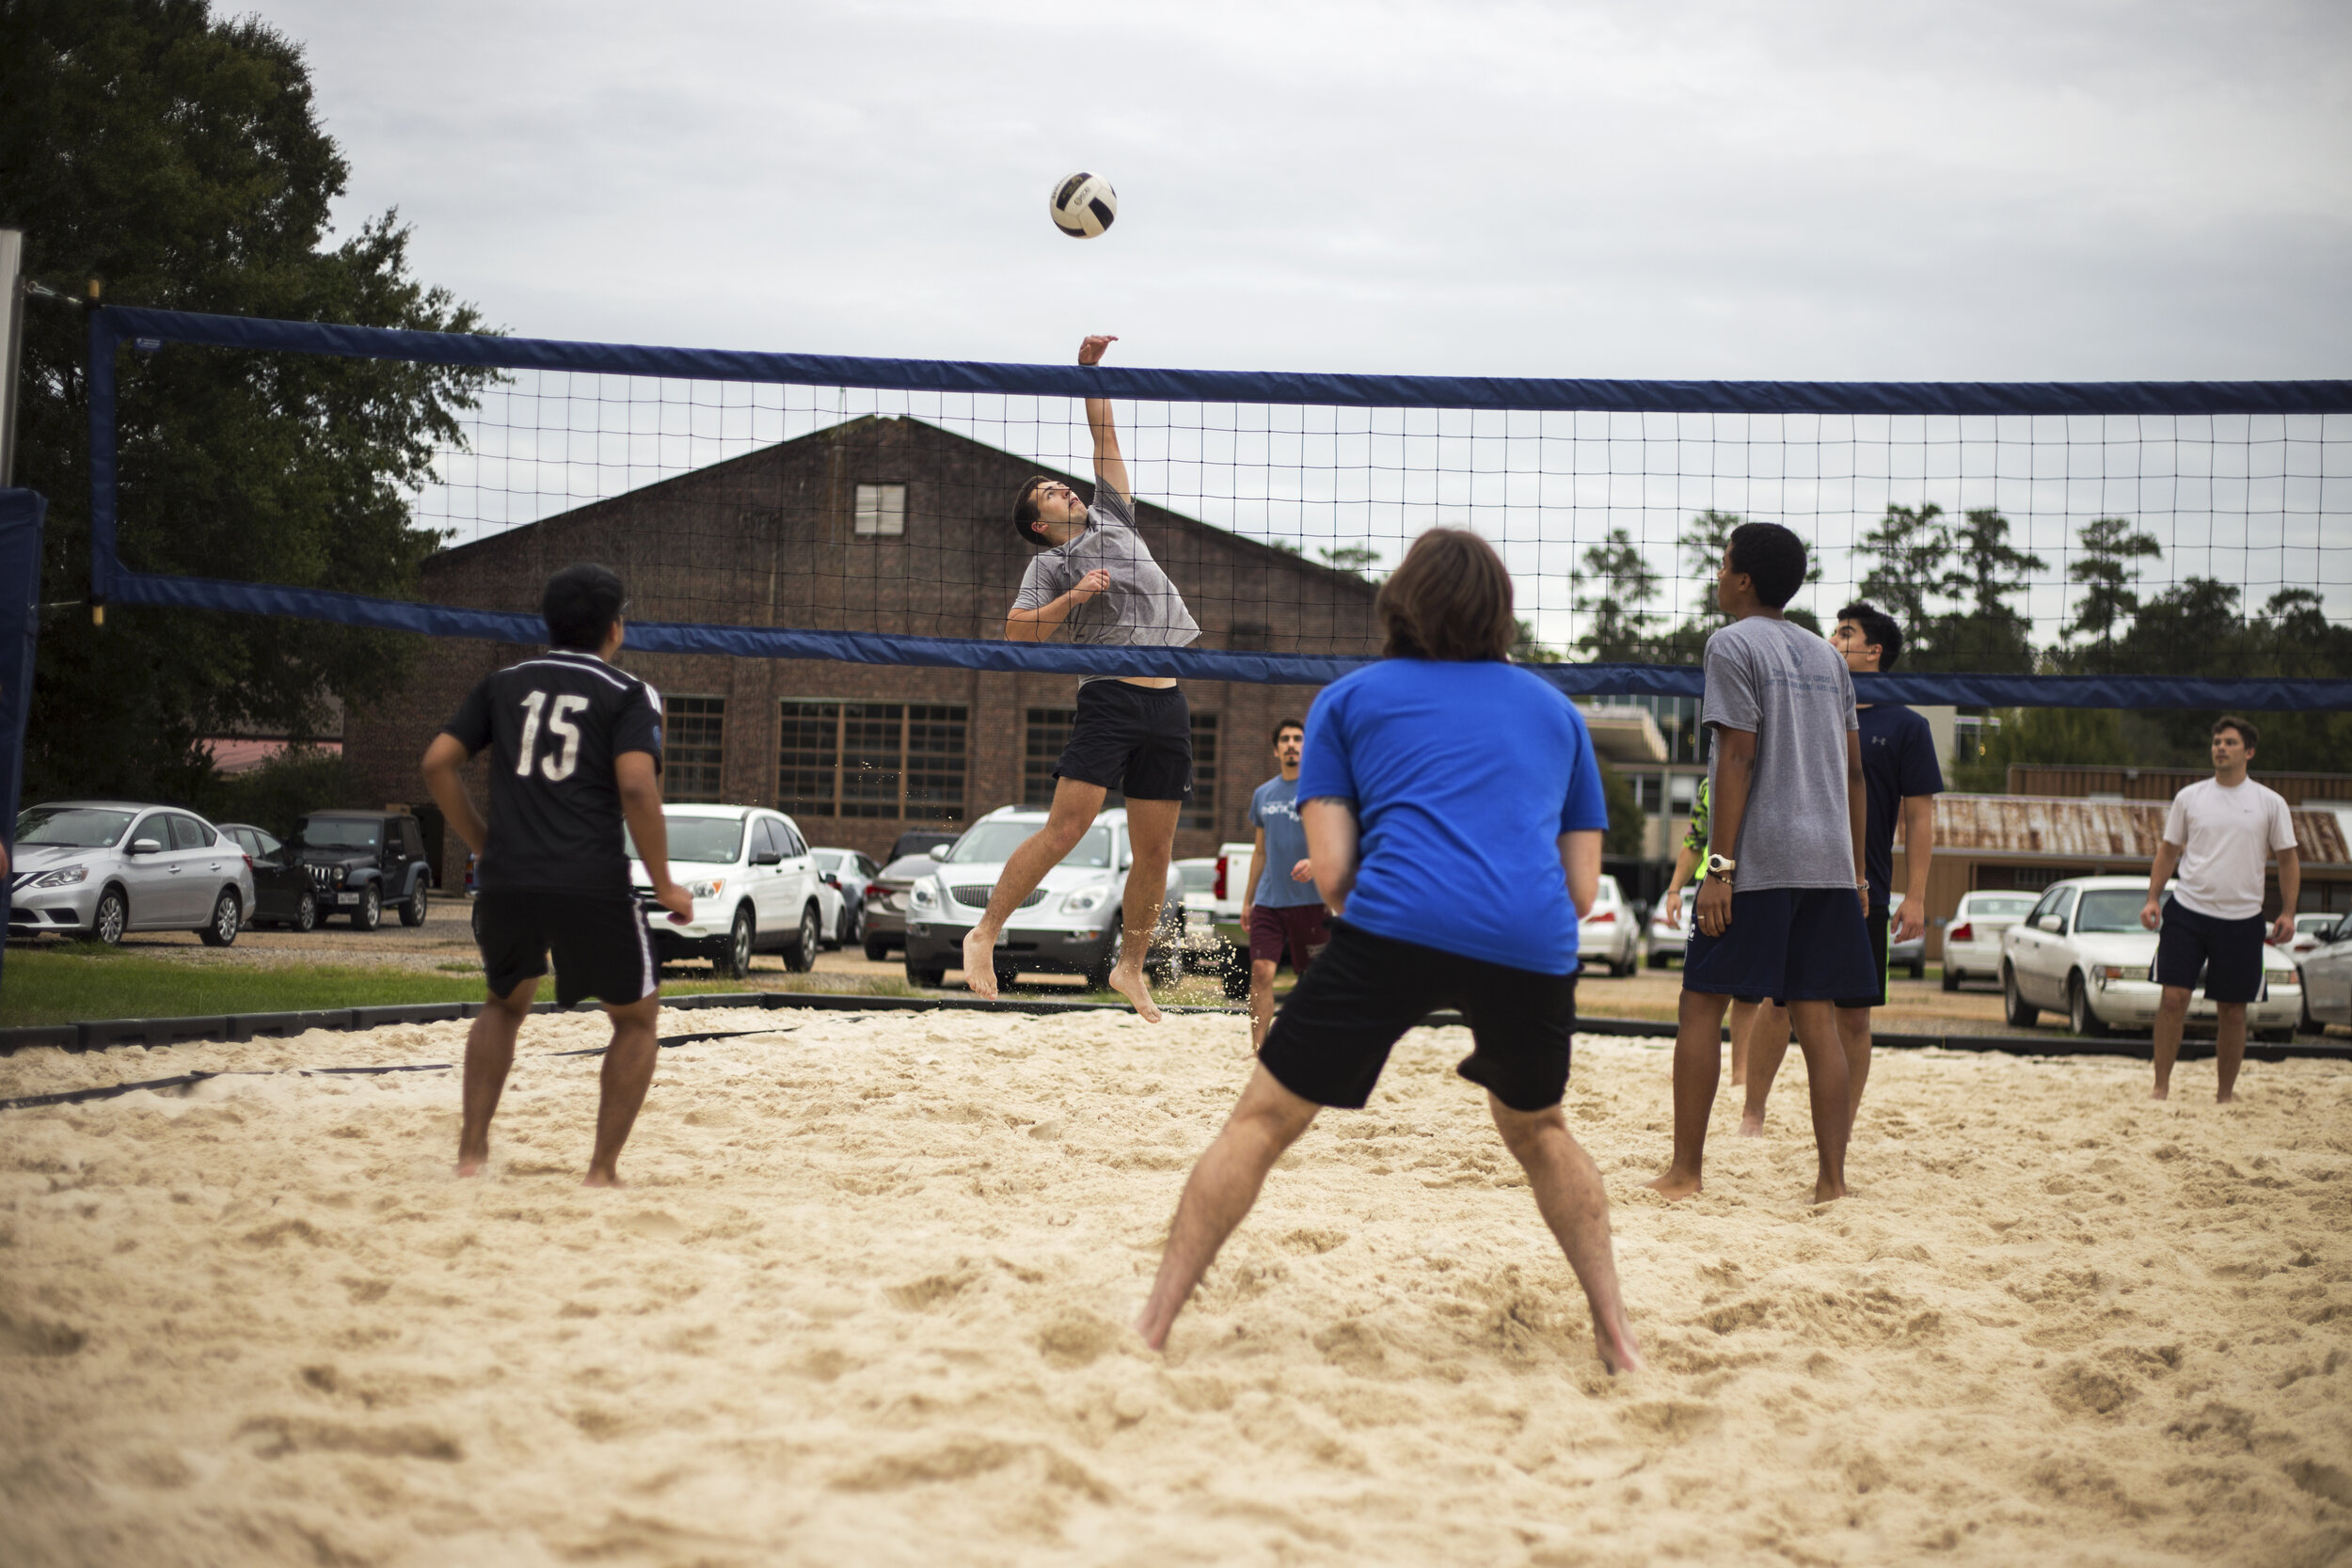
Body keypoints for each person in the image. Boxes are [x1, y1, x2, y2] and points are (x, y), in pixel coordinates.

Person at [1134, 529, 1641, 1373]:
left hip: (1393, 926)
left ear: (1396, 603)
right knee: (1543, 1129)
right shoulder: (1556, 712)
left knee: (1261, 1123)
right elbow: (1584, 891)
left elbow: (1332, 874)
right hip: (1527, 938)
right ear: (1501, 612)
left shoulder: (1349, 700)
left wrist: (1410, 902)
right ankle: (1619, 1338)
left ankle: (1153, 1323)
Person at [421, 563, 693, 1187]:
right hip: (590, 880)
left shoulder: (501, 684)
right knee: (636, 1021)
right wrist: (666, 881)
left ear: (548, 623)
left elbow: (437, 762)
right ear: (615, 628)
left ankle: (471, 1154)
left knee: (503, 1005)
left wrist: (486, 845)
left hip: (509, 878)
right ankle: (600, 1170)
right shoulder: (629, 693)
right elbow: (635, 785)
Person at [963, 334, 1201, 1020]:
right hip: (1108, 699)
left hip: (1168, 701)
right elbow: (1016, 631)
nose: (1062, 487)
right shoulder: (1048, 567)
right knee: (1067, 828)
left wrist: (1089, 374)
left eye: (1059, 481)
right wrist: (1073, 598)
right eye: (1049, 492)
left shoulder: (1114, 513)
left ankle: (1131, 967)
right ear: (1041, 523)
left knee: (1155, 850)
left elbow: (1103, 435)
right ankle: (985, 934)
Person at [1646, 523, 1873, 1205]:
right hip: (1829, 863)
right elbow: (1857, 774)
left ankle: (1686, 1172)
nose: (1717, 577)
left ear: (1743, 579)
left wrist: (1720, 868)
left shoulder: (1731, 643)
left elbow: (1738, 757)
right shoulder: (1826, 656)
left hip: (1761, 861)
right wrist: (1857, 871)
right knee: (1817, 1016)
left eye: (1721, 566)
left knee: (1699, 1005)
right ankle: (1832, 1181)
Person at [1737, 601, 1941, 1136]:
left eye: (1845, 633)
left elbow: (1920, 817)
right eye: (1833, 629)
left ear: (1874, 652)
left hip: (1862, 886)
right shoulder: (1807, 705)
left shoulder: (1907, 726)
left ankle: (1841, 1127)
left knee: (1853, 1015)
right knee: (1776, 1003)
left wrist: (1915, 896)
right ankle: (1751, 1116)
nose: (1832, 638)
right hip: (1796, 870)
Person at [2142, 717, 2299, 1103]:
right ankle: (2160, 1087)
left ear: (2248, 752)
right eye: (2216, 741)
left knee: (2232, 1010)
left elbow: (2288, 859)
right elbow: (2168, 851)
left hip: (2242, 918)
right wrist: (2151, 898)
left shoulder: (2269, 803)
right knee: (2173, 998)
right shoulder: (2190, 797)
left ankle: (2224, 1095)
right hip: (2188, 911)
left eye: (2229, 742)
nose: (2220, 748)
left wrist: (2289, 912)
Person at [1659, 772, 1764, 1088]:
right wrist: (1675, 889)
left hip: (1758, 891)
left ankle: (1741, 1076)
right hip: (1713, 893)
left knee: (1748, 995)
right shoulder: (1709, 784)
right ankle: (1688, 1063)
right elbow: (1694, 840)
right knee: (1698, 989)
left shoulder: (1772, 777)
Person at [1243, 717, 1326, 1049]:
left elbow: (1338, 841)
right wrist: (1247, 901)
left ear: (1306, 747)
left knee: (1314, 981)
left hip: (1312, 901)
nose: (1292, 744)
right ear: (1276, 749)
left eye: (1298, 739)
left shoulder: (1320, 791)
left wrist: (1317, 863)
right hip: (1269, 902)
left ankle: (1312, 1047)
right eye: (1285, 740)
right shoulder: (1263, 794)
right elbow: (1259, 851)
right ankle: (1258, 1051)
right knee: (1261, 972)